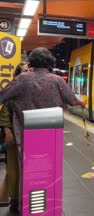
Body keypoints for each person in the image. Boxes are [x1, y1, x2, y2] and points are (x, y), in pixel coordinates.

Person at [0, 48, 85, 211]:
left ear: (32, 61)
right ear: (50, 62)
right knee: (48, 170)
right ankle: (48, 205)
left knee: (28, 170)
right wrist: (80, 102)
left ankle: (29, 206)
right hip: (51, 133)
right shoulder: (57, 80)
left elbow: (3, 96)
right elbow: (71, 100)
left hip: (25, 134)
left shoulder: (22, 79)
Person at [0, 61, 31, 210]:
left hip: (31, 135)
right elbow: (5, 113)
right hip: (14, 136)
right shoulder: (13, 89)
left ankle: (28, 197)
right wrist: (8, 132)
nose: (28, 73)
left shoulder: (33, 89)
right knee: (13, 168)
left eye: (29, 70)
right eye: (24, 71)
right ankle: (15, 198)